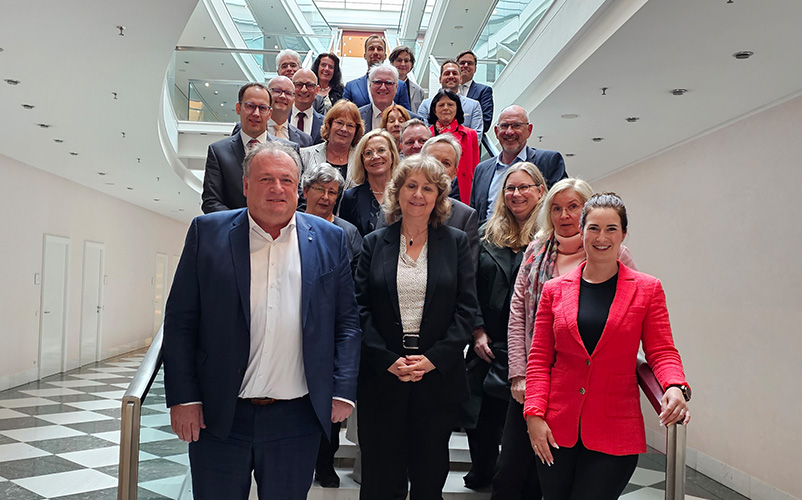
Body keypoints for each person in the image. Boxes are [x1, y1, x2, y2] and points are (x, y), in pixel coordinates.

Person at [164, 141, 361, 500]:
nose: (277, 188)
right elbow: (180, 321)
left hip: (296, 418)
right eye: (266, 179)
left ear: (298, 188)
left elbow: (347, 322)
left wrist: (342, 389)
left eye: (286, 180)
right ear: (245, 185)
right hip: (218, 415)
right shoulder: (207, 233)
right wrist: (183, 398)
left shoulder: (330, 239)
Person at [524, 192, 691, 500]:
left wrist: (674, 386)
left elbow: (662, 351)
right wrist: (534, 415)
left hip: (615, 428)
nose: (602, 237)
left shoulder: (647, 289)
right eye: (594, 228)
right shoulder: (553, 290)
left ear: (623, 234)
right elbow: (539, 359)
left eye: (611, 229)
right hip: (556, 427)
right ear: (582, 231)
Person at [497, 178, 635, 500]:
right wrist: (518, 374)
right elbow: (518, 315)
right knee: (510, 470)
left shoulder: (613, 254)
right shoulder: (536, 251)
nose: (564, 215)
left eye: (573, 207)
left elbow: (629, 312)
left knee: (555, 479)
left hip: (580, 386)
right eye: (557, 208)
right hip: (533, 378)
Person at [354, 154, 478, 500]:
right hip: (382, 377)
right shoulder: (374, 242)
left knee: (428, 477)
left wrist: (434, 358)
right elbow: (359, 308)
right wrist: (386, 359)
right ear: (397, 191)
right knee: (380, 478)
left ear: (439, 196)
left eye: (428, 188)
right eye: (411, 185)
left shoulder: (455, 242)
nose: (418, 194)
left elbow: (467, 309)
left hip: (436, 379)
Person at [462, 162, 546, 490]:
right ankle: (482, 471)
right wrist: (477, 330)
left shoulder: (551, 239)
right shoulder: (484, 234)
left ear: (540, 191)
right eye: (510, 188)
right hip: (487, 345)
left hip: (532, 350)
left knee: (521, 424)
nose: (516, 194)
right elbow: (467, 285)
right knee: (481, 419)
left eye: (525, 187)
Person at [301, 163, 363, 488]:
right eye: (320, 189)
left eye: (332, 192)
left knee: (329, 408)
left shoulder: (347, 232)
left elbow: (356, 284)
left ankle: (325, 465)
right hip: (295, 331)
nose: (326, 197)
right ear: (305, 191)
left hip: (331, 331)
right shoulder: (288, 223)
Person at [201, 82, 298, 213]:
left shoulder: (289, 151)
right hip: (233, 225)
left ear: (270, 113)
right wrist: (245, 222)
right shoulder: (218, 152)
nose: (256, 113)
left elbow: (299, 199)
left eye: (262, 108)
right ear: (238, 108)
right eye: (250, 106)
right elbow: (211, 201)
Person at [471, 105, 568, 224]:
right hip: (487, 235)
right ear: (496, 132)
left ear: (529, 130)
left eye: (516, 125)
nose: (509, 132)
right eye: (504, 126)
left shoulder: (548, 161)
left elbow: (561, 205)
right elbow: (475, 213)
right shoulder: (482, 169)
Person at [339, 129, 399, 236]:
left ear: (392, 154)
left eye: (381, 150)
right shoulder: (351, 197)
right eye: (368, 153)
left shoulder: (405, 192)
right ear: (361, 160)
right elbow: (348, 238)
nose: (375, 156)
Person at [427, 89, 480, 206]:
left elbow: (475, 168)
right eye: (441, 105)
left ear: (457, 108)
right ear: (434, 110)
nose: (446, 108)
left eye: (450, 104)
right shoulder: (427, 135)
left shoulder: (470, 134)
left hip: (462, 189)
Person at [417, 60, 484, 143]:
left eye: (454, 73)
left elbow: (476, 138)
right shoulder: (426, 104)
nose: (451, 76)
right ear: (440, 79)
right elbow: (422, 135)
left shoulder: (474, 105)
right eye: (447, 73)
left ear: (460, 79)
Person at [300, 100, 364, 183]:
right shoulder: (305, 155)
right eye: (339, 123)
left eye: (350, 125)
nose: (344, 129)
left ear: (356, 130)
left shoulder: (361, 159)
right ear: (329, 124)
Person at [343, 35, 412, 109]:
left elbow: (405, 114)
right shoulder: (351, 86)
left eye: (379, 49)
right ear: (365, 55)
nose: (375, 52)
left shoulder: (400, 86)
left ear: (385, 56)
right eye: (371, 49)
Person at [358, 63, 421, 132]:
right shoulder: (357, 117)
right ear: (370, 86)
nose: (383, 87)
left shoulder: (414, 121)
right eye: (378, 82)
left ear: (396, 87)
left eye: (388, 83)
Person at [266, 76, 313, 147]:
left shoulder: (305, 140)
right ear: (267, 95)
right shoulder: (253, 130)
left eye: (288, 93)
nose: (282, 96)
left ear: (294, 99)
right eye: (277, 91)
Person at [456, 50, 494, 134]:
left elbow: (485, 122)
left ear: (475, 69)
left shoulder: (484, 91)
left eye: (470, 63)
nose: (466, 65)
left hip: (471, 138)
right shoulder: (448, 90)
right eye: (462, 63)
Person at [421, 133, 461, 200]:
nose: (438, 167)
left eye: (446, 163)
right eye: (433, 160)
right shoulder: (405, 202)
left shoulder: (459, 207)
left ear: (454, 173)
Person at [291, 69, 324, 144]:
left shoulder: (325, 124)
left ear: (317, 90)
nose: (303, 90)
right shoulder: (282, 119)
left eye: (309, 85)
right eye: (299, 84)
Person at [389, 45, 425, 112]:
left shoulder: (419, 91)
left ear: (412, 64)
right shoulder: (384, 86)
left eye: (406, 61)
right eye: (399, 60)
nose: (403, 64)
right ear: (392, 63)